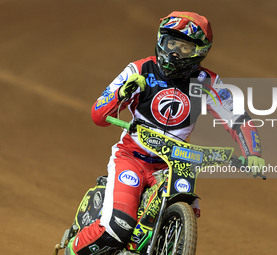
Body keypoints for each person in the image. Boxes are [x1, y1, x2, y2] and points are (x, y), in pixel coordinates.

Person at [65, 11, 265, 255]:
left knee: (188, 210)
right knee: (118, 228)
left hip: (174, 165)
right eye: (171, 43)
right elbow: (98, 116)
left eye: (185, 47)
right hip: (132, 158)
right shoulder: (139, 69)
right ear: (161, 41)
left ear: (200, 51)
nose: (175, 52)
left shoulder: (208, 82)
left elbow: (237, 118)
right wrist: (122, 93)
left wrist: (253, 153)